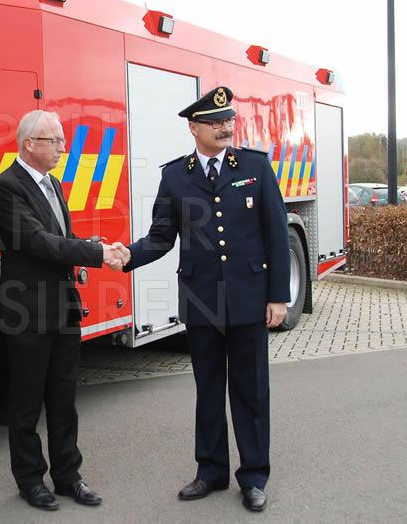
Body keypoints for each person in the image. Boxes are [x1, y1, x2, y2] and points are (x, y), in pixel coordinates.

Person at [111, 86, 290, 512]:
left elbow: (276, 234)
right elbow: (161, 236)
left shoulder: (255, 167)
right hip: (202, 300)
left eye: (228, 120)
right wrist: (128, 255)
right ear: (194, 128)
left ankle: (253, 477)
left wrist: (278, 296)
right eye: (215, 122)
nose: (226, 127)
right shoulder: (176, 176)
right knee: (208, 390)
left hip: (248, 298)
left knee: (251, 391)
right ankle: (210, 471)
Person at [0, 109, 121, 511]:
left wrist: (93, 244)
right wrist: (96, 253)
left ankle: (68, 476)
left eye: (62, 140)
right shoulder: (6, 188)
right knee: (27, 403)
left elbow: (62, 236)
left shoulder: (54, 185)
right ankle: (30, 480)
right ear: (29, 144)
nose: (63, 147)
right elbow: (38, 242)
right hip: (28, 311)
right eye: (56, 141)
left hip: (63, 309)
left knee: (64, 400)